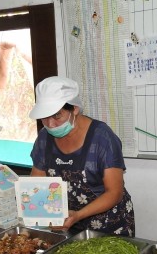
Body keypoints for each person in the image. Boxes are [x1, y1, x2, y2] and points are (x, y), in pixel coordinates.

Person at [29, 76, 135, 236]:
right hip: (67, 222)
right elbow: (37, 182)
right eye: (44, 117)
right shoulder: (44, 138)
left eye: (57, 116)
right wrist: (46, 214)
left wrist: (78, 215)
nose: (50, 124)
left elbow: (114, 192)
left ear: (75, 109)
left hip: (108, 224)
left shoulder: (102, 138)